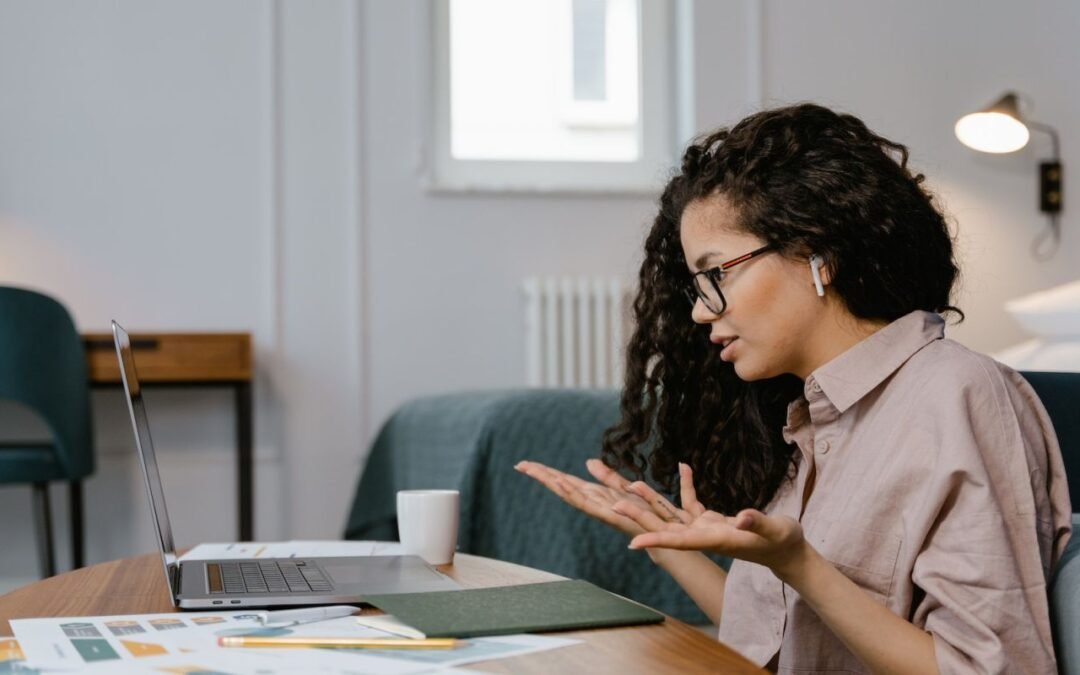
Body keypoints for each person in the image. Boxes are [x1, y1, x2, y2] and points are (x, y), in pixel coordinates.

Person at [515, 103, 1072, 674]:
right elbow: (783, 641)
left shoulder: (960, 395)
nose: (703, 313)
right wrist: (665, 545)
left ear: (816, 253)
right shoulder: (811, 417)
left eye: (717, 275)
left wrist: (801, 565)